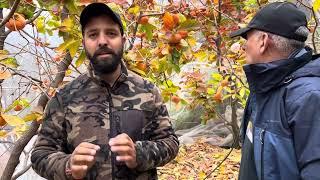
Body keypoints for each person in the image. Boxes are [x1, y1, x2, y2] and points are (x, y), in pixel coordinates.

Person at [31, 3, 179, 180]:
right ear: (84, 42)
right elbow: (40, 154)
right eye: (93, 34)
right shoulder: (64, 98)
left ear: (123, 41)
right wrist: (68, 166)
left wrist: (139, 153)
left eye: (111, 33)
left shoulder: (148, 91)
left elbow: (170, 143)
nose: (102, 41)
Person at [230, 2, 320, 180]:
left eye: (247, 38)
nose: (244, 46)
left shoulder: (307, 97)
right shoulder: (268, 86)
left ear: (263, 41)